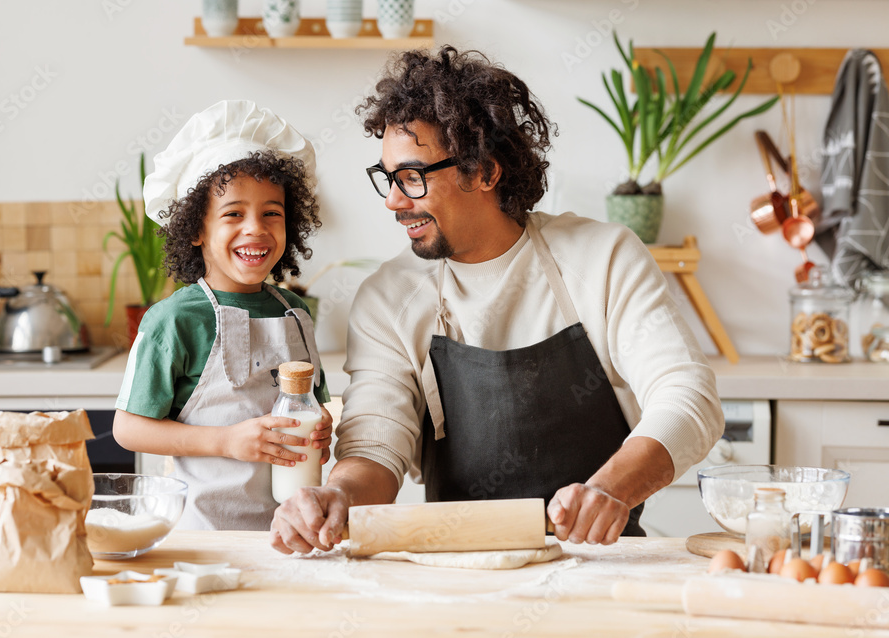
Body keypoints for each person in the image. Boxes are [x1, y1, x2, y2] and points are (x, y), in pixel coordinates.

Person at [269, 47, 724, 552]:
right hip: (454, 569)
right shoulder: (389, 297)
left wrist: (608, 490)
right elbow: (376, 442)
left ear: (485, 172)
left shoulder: (603, 259)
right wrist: (338, 495)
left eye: (413, 177)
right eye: (388, 177)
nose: (393, 200)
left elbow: (687, 397)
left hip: (601, 559)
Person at [113, 100, 334, 531]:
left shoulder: (297, 313)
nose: (256, 227)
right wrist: (226, 441)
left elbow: (315, 404)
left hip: (290, 530)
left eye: (272, 213)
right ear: (196, 229)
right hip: (202, 535)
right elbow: (128, 428)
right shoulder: (175, 320)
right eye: (234, 213)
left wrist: (321, 429)